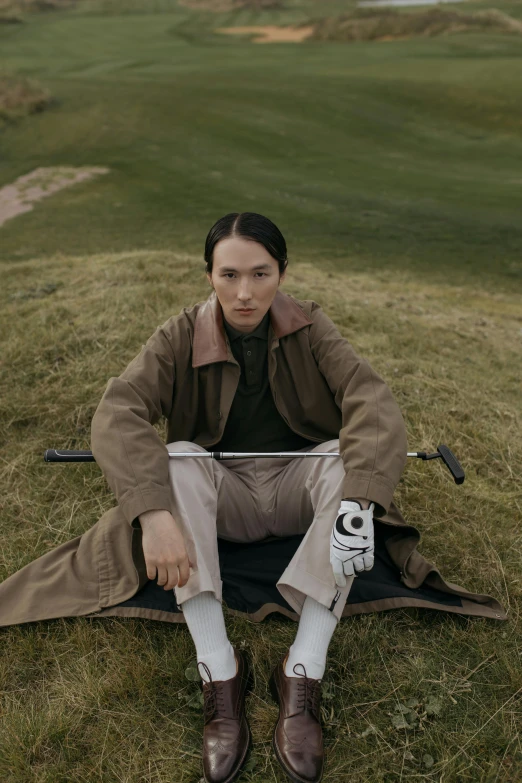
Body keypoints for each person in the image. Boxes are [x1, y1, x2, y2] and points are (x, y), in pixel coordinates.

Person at [89, 211, 408, 783]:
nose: (244, 293)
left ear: (282, 272)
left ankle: (303, 669)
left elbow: (370, 398)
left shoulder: (311, 326)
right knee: (180, 455)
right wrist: (153, 515)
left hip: (297, 486)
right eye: (229, 274)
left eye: (260, 274)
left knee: (342, 458)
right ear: (208, 275)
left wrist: (360, 503)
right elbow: (119, 412)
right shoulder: (179, 334)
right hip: (222, 495)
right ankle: (219, 670)